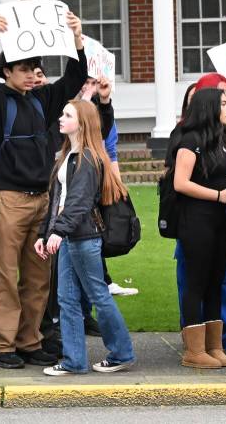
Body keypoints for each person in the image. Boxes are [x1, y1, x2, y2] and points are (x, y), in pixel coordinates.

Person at [0, 12, 87, 369]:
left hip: (43, 202)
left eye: (35, 67)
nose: (33, 74)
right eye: (24, 69)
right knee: (5, 274)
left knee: (38, 279)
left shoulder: (42, 99)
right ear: (6, 72)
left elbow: (75, 78)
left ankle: (29, 340)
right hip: (9, 200)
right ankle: (0, 347)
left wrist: (76, 39)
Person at [34, 100, 135, 376]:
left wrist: (57, 232)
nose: (60, 118)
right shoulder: (69, 156)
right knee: (67, 299)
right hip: (69, 237)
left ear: (82, 122)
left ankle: (122, 353)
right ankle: (74, 360)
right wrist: (46, 233)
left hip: (85, 237)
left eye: (68, 115)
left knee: (97, 296)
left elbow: (78, 202)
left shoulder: (89, 158)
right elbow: (57, 201)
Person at [170, 87, 226, 369]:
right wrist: (217, 196)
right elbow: (180, 183)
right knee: (196, 283)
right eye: (223, 104)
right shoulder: (190, 140)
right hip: (197, 220)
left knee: (216, 282)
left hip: (222, 221)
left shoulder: (224, 140)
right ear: (209, 107)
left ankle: (214, 345)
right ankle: (194, 349)